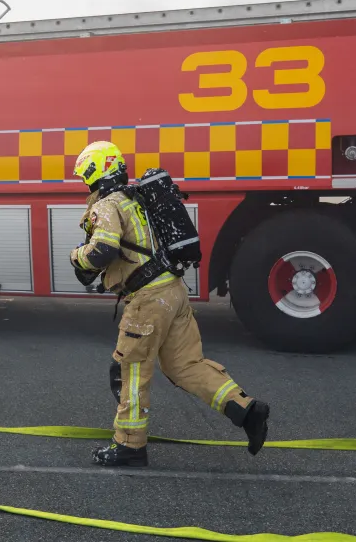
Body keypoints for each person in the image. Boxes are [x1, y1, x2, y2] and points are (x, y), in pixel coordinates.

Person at [69, 140, 270, 467]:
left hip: (148, 298)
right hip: (172, 290)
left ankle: (129, 445)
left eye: (85, 178)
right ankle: (246, 410)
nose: (85, 184)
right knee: (186, 365)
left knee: (130, 369)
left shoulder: (107, 205)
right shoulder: (139, 199)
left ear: (95, 173)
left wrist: (76, 256)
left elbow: (102, 250)